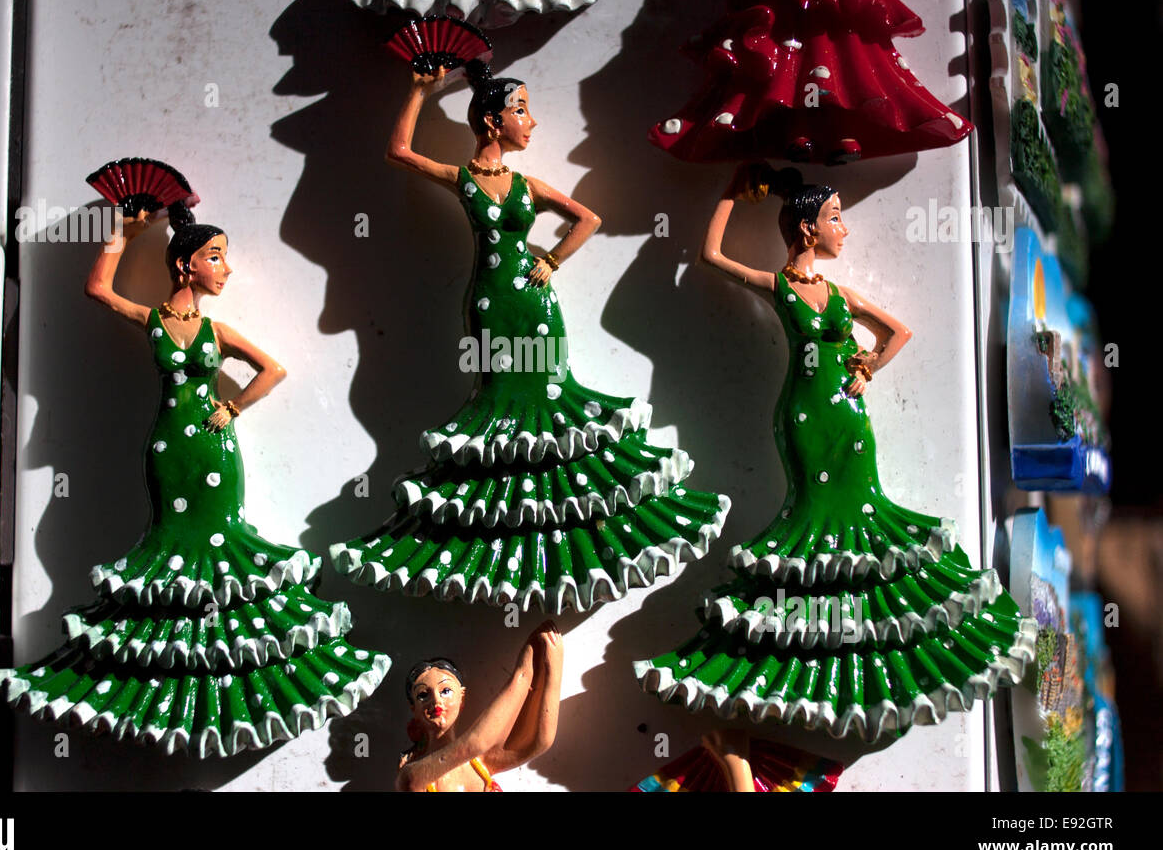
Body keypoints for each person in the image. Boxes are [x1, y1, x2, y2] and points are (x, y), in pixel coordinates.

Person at [634, 162, 1036, 742]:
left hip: (851, 426)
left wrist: (868, 367)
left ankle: (869, 650)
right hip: (802, 419)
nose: (843, 230)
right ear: (805, 229)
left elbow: (898, 332)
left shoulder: (842, 294)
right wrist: (729, 191)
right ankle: (810, 654)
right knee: (812, 526)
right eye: (835, 218)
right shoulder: (780, 287)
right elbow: (712, 258)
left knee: (867, 521)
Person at [330, 56, 730, 613]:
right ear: (492, 122)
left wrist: (554, 261)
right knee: (500, 407)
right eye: (521, 110)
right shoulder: (464, 178)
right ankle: (505, 538)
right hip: (491, 305)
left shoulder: (526, 184)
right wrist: (420, 91)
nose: (532, 122)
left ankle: (564, 536)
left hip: (536, 305)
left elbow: (586, 218)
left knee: (551, 400)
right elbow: (399, 152)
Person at [0, 196, 390, 758]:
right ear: (186, 266)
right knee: (169, 546)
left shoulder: (217, 329)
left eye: (223, 257)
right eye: (215, 257)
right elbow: (98, 291)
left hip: (213, 453)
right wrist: (123, 233)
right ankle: (170, 677)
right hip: (166, 449)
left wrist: (232, 409)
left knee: (222, 546)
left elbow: (273, 368)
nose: (225, 268)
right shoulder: (154, 318)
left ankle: (226, 680)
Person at [397, 621, 564, 792]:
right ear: (414, 709)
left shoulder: (478, 764)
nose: (436, 701)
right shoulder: (411, 775)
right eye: (423, 695)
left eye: (445, 691)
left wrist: (553, 671)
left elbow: (540, 742)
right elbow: (475, 743)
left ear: (462, 698)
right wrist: (521, 672)